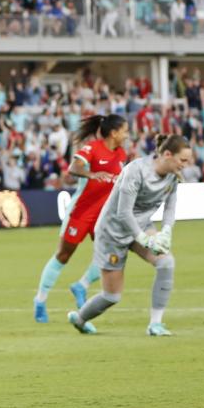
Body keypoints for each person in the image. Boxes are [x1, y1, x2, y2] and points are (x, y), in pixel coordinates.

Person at [68, 134, 193, 337]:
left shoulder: (173, 176)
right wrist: (144, 239)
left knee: (166, 263)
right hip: (112, 233)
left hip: (141, 226)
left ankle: (155, 324)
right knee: (112, 296)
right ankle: (80, 319)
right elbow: (123, 212)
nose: (186, 165)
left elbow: (170, 208)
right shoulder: (136, 171)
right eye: (183, 160)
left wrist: (166, 231)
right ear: (168, 154)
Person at [32, 114, 129, 323]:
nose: (127, 135)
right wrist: (93, 174)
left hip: (103, 216)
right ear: (113, 133)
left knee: (109, 256)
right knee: (63, 255)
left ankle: (81, 286)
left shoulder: (121, 154)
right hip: (81, 212)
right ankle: (40, 300)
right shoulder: (92, 148)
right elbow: (73, 168)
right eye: (124, 131)